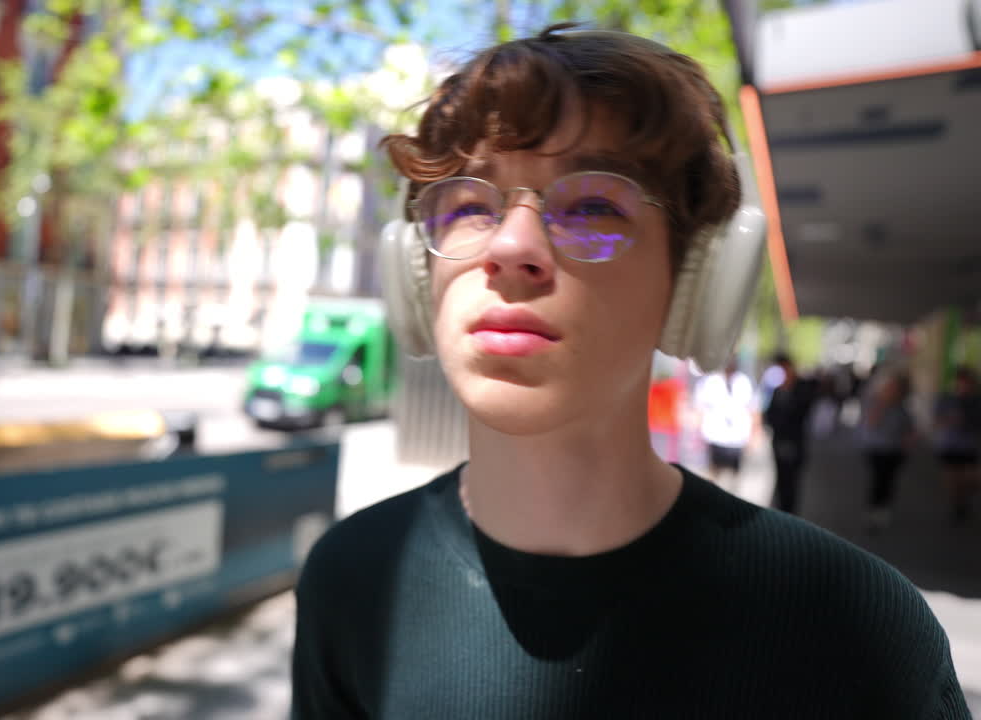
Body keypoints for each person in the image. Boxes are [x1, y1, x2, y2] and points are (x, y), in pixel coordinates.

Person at [290, 24, 968, 719]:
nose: (512, 246)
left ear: (698, 285)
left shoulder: (852, 627)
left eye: (591, 207)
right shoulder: (351, 580)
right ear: (416, 272)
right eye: (467, 208)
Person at [859, 369, 918, 532]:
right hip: (876, 448)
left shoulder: (901, 406)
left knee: (889, 480)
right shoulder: (874, 401)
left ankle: (883, 508)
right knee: (878, 479)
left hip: (894, 449)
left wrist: (909, 442)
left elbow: (909, 428)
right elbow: (869, 423)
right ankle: (873, 509)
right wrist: (882, 404)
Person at [762, 352, 817, 514]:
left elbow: (803, 412)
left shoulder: (802, 388)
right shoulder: (777, 390)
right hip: (779, 442)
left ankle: (791, 513)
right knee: (781, 481)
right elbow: (769, 415)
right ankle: (781, 510)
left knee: (792, 483)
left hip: (794, 443)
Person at [694, 358, 756, 494]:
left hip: (737, 439)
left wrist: (753, 436)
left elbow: (753, 410)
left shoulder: (743, 382)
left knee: (734, 478)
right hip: (715, 436)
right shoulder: (710, 381)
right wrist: (698, 435)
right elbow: (700, 410)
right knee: (714, 474)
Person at [932, 366, 981, 525]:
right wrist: (949, 420)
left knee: (970, 478)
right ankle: (957, 504)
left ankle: (963, 499)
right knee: (953, 478)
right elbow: (937, 419)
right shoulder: (947, 398)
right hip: (950, 444)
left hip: (969, 445)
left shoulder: (975, 400)